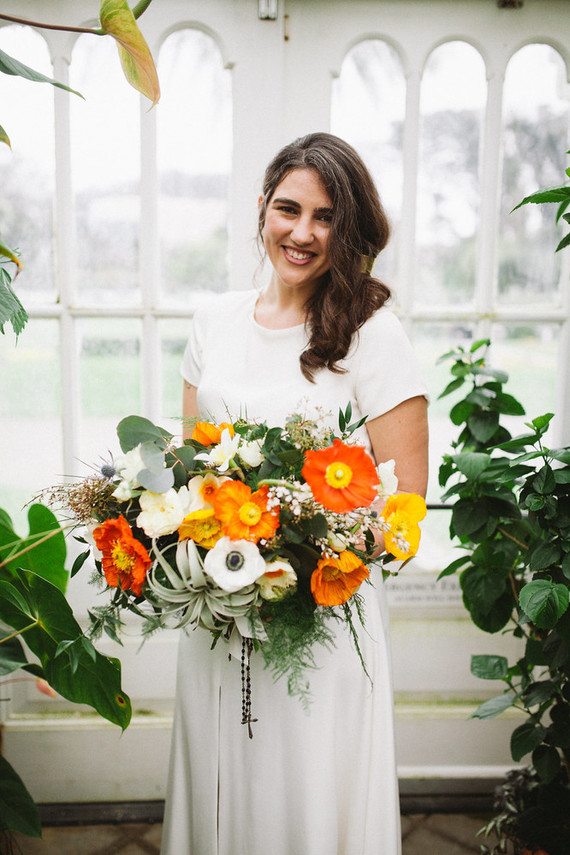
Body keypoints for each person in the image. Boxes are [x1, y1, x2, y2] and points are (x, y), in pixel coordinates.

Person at [160, 132, 429, 855]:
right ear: (262, 208)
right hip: (218, 614)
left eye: (326, 218)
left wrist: (309, 551)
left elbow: (405, 515)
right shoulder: (211, 320)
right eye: (289, 209)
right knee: (221, 788)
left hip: (319, 630)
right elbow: (193, 469)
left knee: (304, 801)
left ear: (350, 231)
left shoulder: (373, 334)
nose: (303, 233)